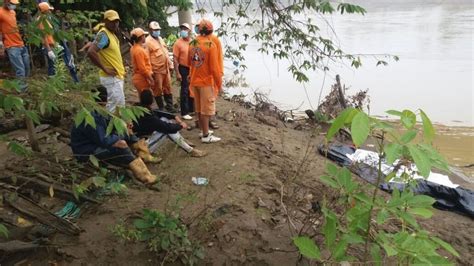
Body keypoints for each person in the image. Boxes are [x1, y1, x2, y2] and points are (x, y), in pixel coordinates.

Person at [70, 86, 158, 184]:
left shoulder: (98, 110)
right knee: (121, 144)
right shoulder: (91, 116)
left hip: (94, 142)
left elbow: (110, 124)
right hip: (86, 151)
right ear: (105, 101)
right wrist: (121, 137)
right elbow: (104, 140)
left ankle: (145, 155)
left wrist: (124, 126)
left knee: (125, 130)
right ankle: (145, 176)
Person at [133, 90, 206, 157]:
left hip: (140, 140)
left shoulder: (139, 108)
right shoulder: (148, 116)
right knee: (167, 131)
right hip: (142, 148)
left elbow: (157, 113)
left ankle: (183, 142)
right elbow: (167, 128)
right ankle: (190, 150)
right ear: (152, 100)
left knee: (165, 120)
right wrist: (180, 126)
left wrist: (174, 116)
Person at [188, 19, 222, 143]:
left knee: (199, 108)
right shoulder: (210, 45)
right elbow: (214, 69)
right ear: (211, 32)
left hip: (194, 81)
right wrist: (219, 84)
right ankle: (206, 135)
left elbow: (189, 63)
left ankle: (203, 131)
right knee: (206, 110)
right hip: (206, 82)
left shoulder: (192, 43)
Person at [87, 10, 125, 113]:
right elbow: (91, 51)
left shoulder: (111, 34)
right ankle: (111, 128)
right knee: (113, 108)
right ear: (105, 21)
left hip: (116, 77)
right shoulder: (104, 34)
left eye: (116, 21)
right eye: (112, 21)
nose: (115, 24)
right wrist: (105, 68)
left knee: (119, 106)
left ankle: (116, 127)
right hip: (111, 78)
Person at [37, 2, 79, 83]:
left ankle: (74, 81)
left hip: (54, 44)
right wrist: (49, 50)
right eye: (49, 10)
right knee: (52, 66)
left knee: (63, 62)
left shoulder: (47, 19)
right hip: (49, 46)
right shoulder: (41, 20)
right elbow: (43, 36)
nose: (50, 11)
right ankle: (53, 84)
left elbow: (52, 34)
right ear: (45, 11)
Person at [146, 21, 176, 112]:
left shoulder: (160, 39)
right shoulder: (147, 41)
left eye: (158, 30)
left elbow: (166, 53)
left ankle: (169, 106)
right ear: (150, 30)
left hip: (165, 68)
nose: (157, 31)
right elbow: (146, 58)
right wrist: (150, 72)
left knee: (168, 87)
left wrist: (171, 65)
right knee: (157, 89)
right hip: (156, 70)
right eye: (155, 30)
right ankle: (161, 107)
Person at [0, 0, 30, 91]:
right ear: (6, 2)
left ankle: (23, 87)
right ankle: (21, 91)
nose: (14, 5)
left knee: (26, 67)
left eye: (15, 4)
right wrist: (1, 43)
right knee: (20, 70)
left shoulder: (13, 12)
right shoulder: (0, 12)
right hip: (11, 45)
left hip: (20, 43)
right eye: (12, 3)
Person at [173, 23, 193, 120]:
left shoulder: (192, 42)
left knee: (191, 89)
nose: (183, 31)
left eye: (185, 29)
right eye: (182, 29)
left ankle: (191, 109)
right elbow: (175, 59)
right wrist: (177, 72)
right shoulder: (178, 43)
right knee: (184, 90)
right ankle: (184, 112)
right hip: (183, 68)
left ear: (189, 31)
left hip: (192, 68)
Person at [130, 27, 154, 97]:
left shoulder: (133, 48)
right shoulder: (139, 51)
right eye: (144, 36)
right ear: (141, 37)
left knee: (142, 98)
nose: (145, 37)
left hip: (138, 77)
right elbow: (142, 68)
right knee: (146, 99)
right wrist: (150, 79)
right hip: (142, 78)